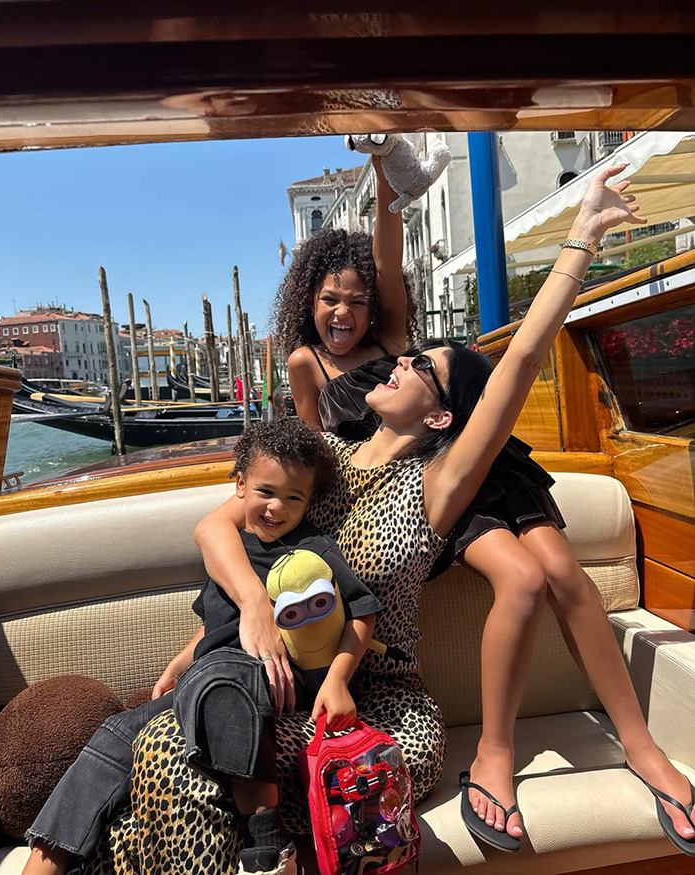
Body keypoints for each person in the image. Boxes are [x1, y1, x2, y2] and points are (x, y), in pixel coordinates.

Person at [85, 165, 693, 870]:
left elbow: (522, 358)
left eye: (420, 368)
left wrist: (582, 234)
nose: (398, 364)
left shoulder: (437, 485)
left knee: (188, 756)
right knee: (173, 749)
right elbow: (232, 533)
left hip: (383, 706)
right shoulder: (319, 463)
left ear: (439, 415)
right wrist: (217, 635)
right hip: (289, 691)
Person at [23, 419, 382, 875]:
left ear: (310, 502)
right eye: (265, 492)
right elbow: (215, 626)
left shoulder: (312, 551)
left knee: (228, 675)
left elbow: (361, 611)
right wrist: (179, 662)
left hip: (272, 679)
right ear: (239, 485)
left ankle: (268, 845)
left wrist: (336, 680)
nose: (277, 508)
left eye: (294, 498)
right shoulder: (230, 552)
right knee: (114, 734)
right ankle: (46, 863)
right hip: (210, 675)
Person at [276, 157, 415, 431]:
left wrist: (384, 174)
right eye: (330, 299)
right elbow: (316, 446)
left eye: (358, 302)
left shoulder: (389, 342)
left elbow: (387, 268)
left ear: (373, 307)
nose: (342, 311)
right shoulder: (304, 362)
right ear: (309, 303)